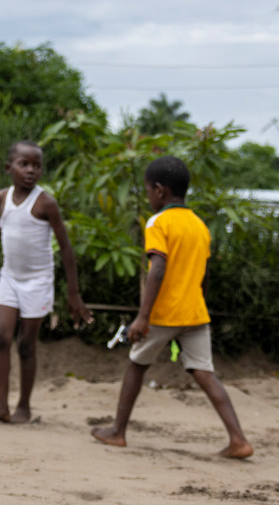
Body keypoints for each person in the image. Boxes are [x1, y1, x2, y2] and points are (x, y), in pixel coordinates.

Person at [91, 156, 253, 459]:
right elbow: (204, 275)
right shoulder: (199, 226)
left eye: (148, 191)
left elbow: (158, 270)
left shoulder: (159, 222)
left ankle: (118, 431)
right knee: (205, 373)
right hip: (195, 313)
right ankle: (238, 439)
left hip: (164, 313)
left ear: (159, 190)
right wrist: (200, 303)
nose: (149, 196)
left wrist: (143, 317)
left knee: (136, 365)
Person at [0, 140, 91, 423]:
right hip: (10, 277)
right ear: (9, 168)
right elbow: (1, 226)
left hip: (38, 281)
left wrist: (73, 294)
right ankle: (1, 405)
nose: (31, 170)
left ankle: (24, 407)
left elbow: (65, 248)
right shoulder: (3, 197)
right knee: (0, 337)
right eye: (24, 164)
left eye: (36, 165)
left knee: (26, 344)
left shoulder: (45, 202)